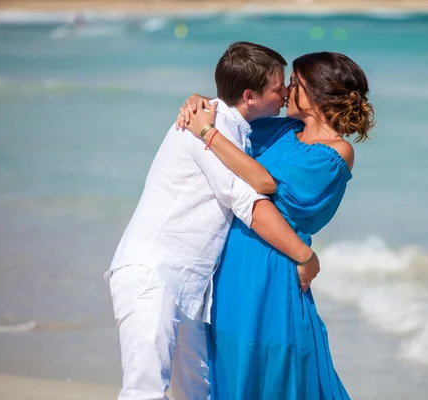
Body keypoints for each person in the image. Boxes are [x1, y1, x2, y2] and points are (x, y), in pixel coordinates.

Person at [104, 42, 320, 400]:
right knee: (144, 391)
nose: (285, 94)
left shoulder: (230, 126)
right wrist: (304, 256)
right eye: (279, 87)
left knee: (197, 392)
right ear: (249, 96)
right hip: (152, 272)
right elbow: (251, 197)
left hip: (190, 284)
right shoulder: (210, 126)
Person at [178, 51, 375, 399]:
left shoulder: (337, 152)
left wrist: (206, 131)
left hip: (273, 271)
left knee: (277, 371)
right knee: (232, 366)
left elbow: (263, 182)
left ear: (315, 94)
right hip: (231, 268)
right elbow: (232, 114)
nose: (285, 90)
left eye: (294, 84)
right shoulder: (282, 130)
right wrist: (198, 102)